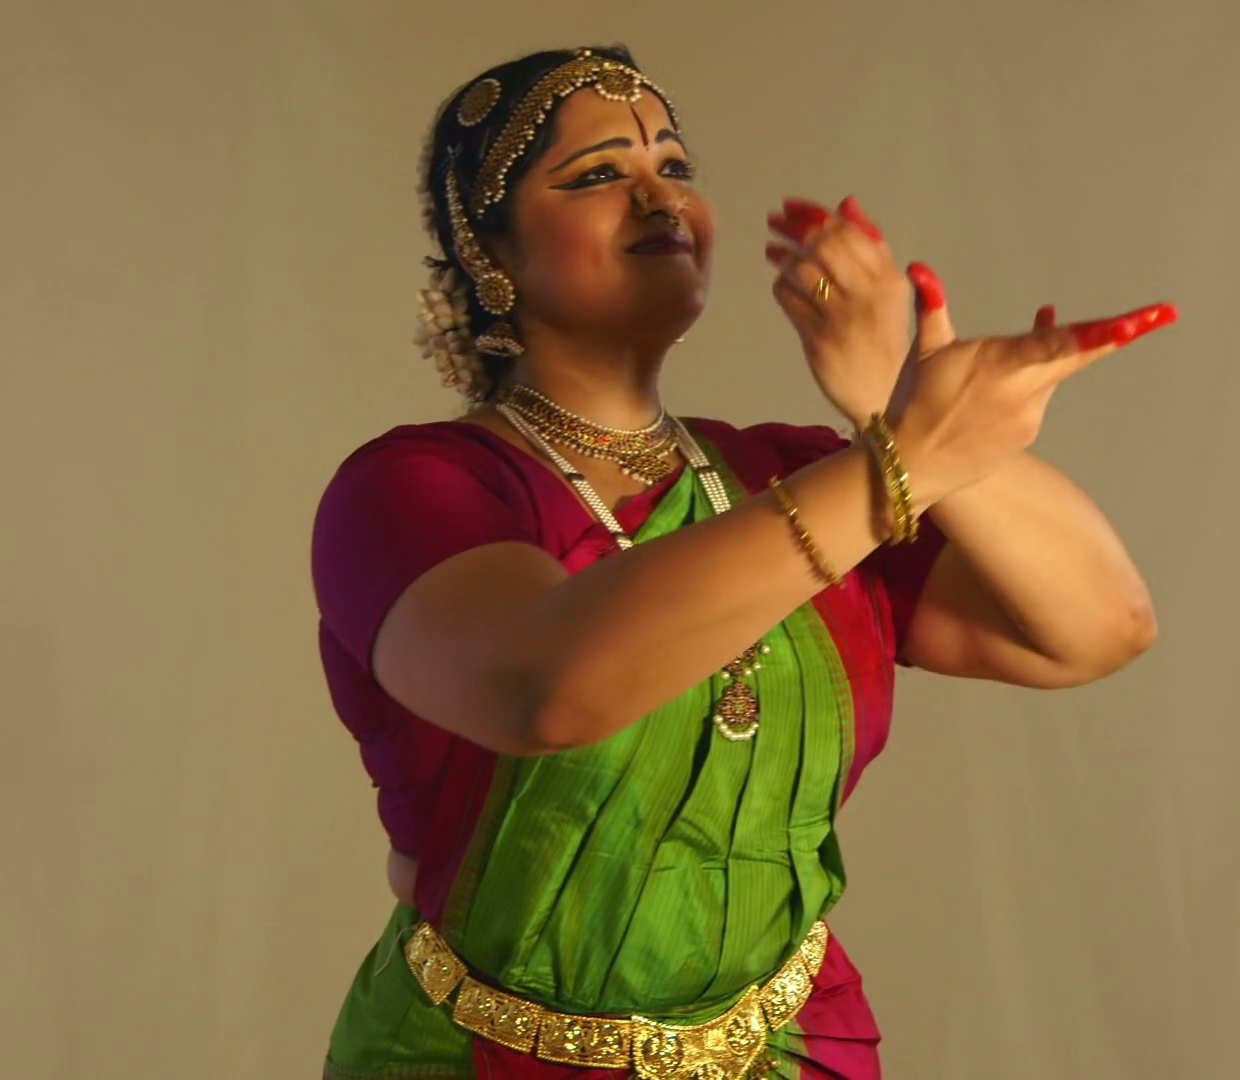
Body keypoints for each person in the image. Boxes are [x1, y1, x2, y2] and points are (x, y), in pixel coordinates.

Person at [311, 44, 1176, 1080]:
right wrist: (903, 460)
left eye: (674, 166)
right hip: (487, 1057)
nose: (658, 197)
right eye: (598, 175)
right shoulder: (415, 491)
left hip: (786, 1047)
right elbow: (543, 688)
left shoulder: (782, 476)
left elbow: (1097, 627)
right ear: (487, 250)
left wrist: (885, 405)